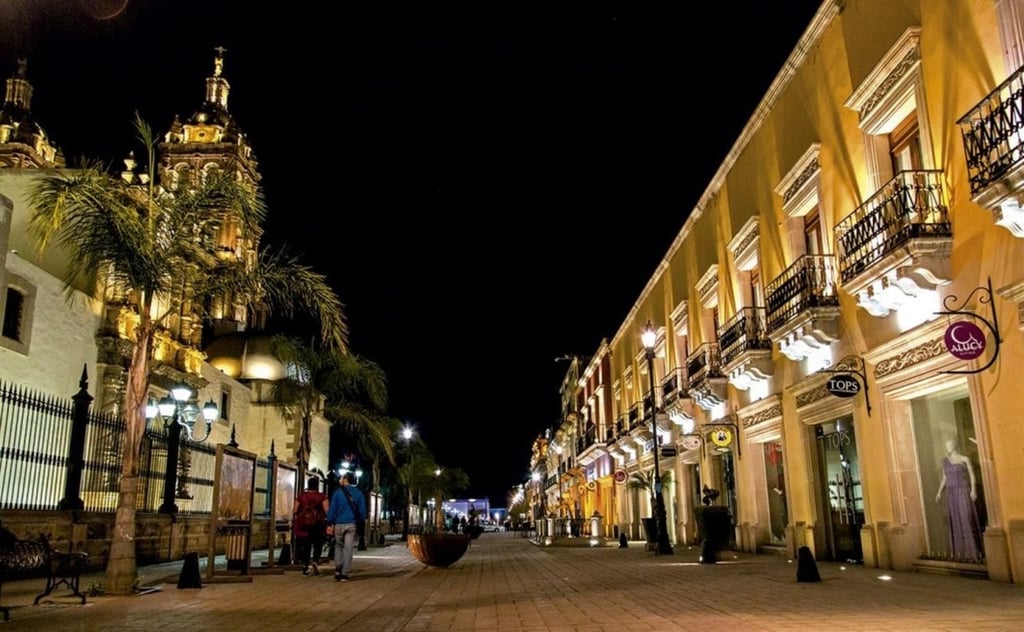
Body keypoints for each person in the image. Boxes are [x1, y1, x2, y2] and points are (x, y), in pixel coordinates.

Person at [935, 437, 984, 561]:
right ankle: (961, 552)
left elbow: (972, 475)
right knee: (956, 519)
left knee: (967, 517)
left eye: (950, 444)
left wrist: (973, 489)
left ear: (955, 445)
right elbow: (944, 477)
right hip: (951, 492)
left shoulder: (964, 459)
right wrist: (939, 491)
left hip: (962, 490)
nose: (948, 447)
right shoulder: (945, 461)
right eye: (946, 445)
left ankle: (974, 551)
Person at [326, 471, 366, 582]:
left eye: (341, 478)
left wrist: (330, 522)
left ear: (345, 480)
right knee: (348, 548)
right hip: (351, 524)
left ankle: (338, 567)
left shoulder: (337, 493)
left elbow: (332, 509)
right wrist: (360, 521)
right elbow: (362, 512)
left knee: (338, 545)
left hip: (339, 523)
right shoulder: (358, 494)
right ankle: (345, 573)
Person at [292, 476, 328, 576]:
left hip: (304, 524)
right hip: (318, 524)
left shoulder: (301, 496)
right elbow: (327, 510)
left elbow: (295, 510)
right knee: (318, 544)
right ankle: (315, 561)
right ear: (317, 485)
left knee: (306, 545)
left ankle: (305, 566)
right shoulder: (322, 496)